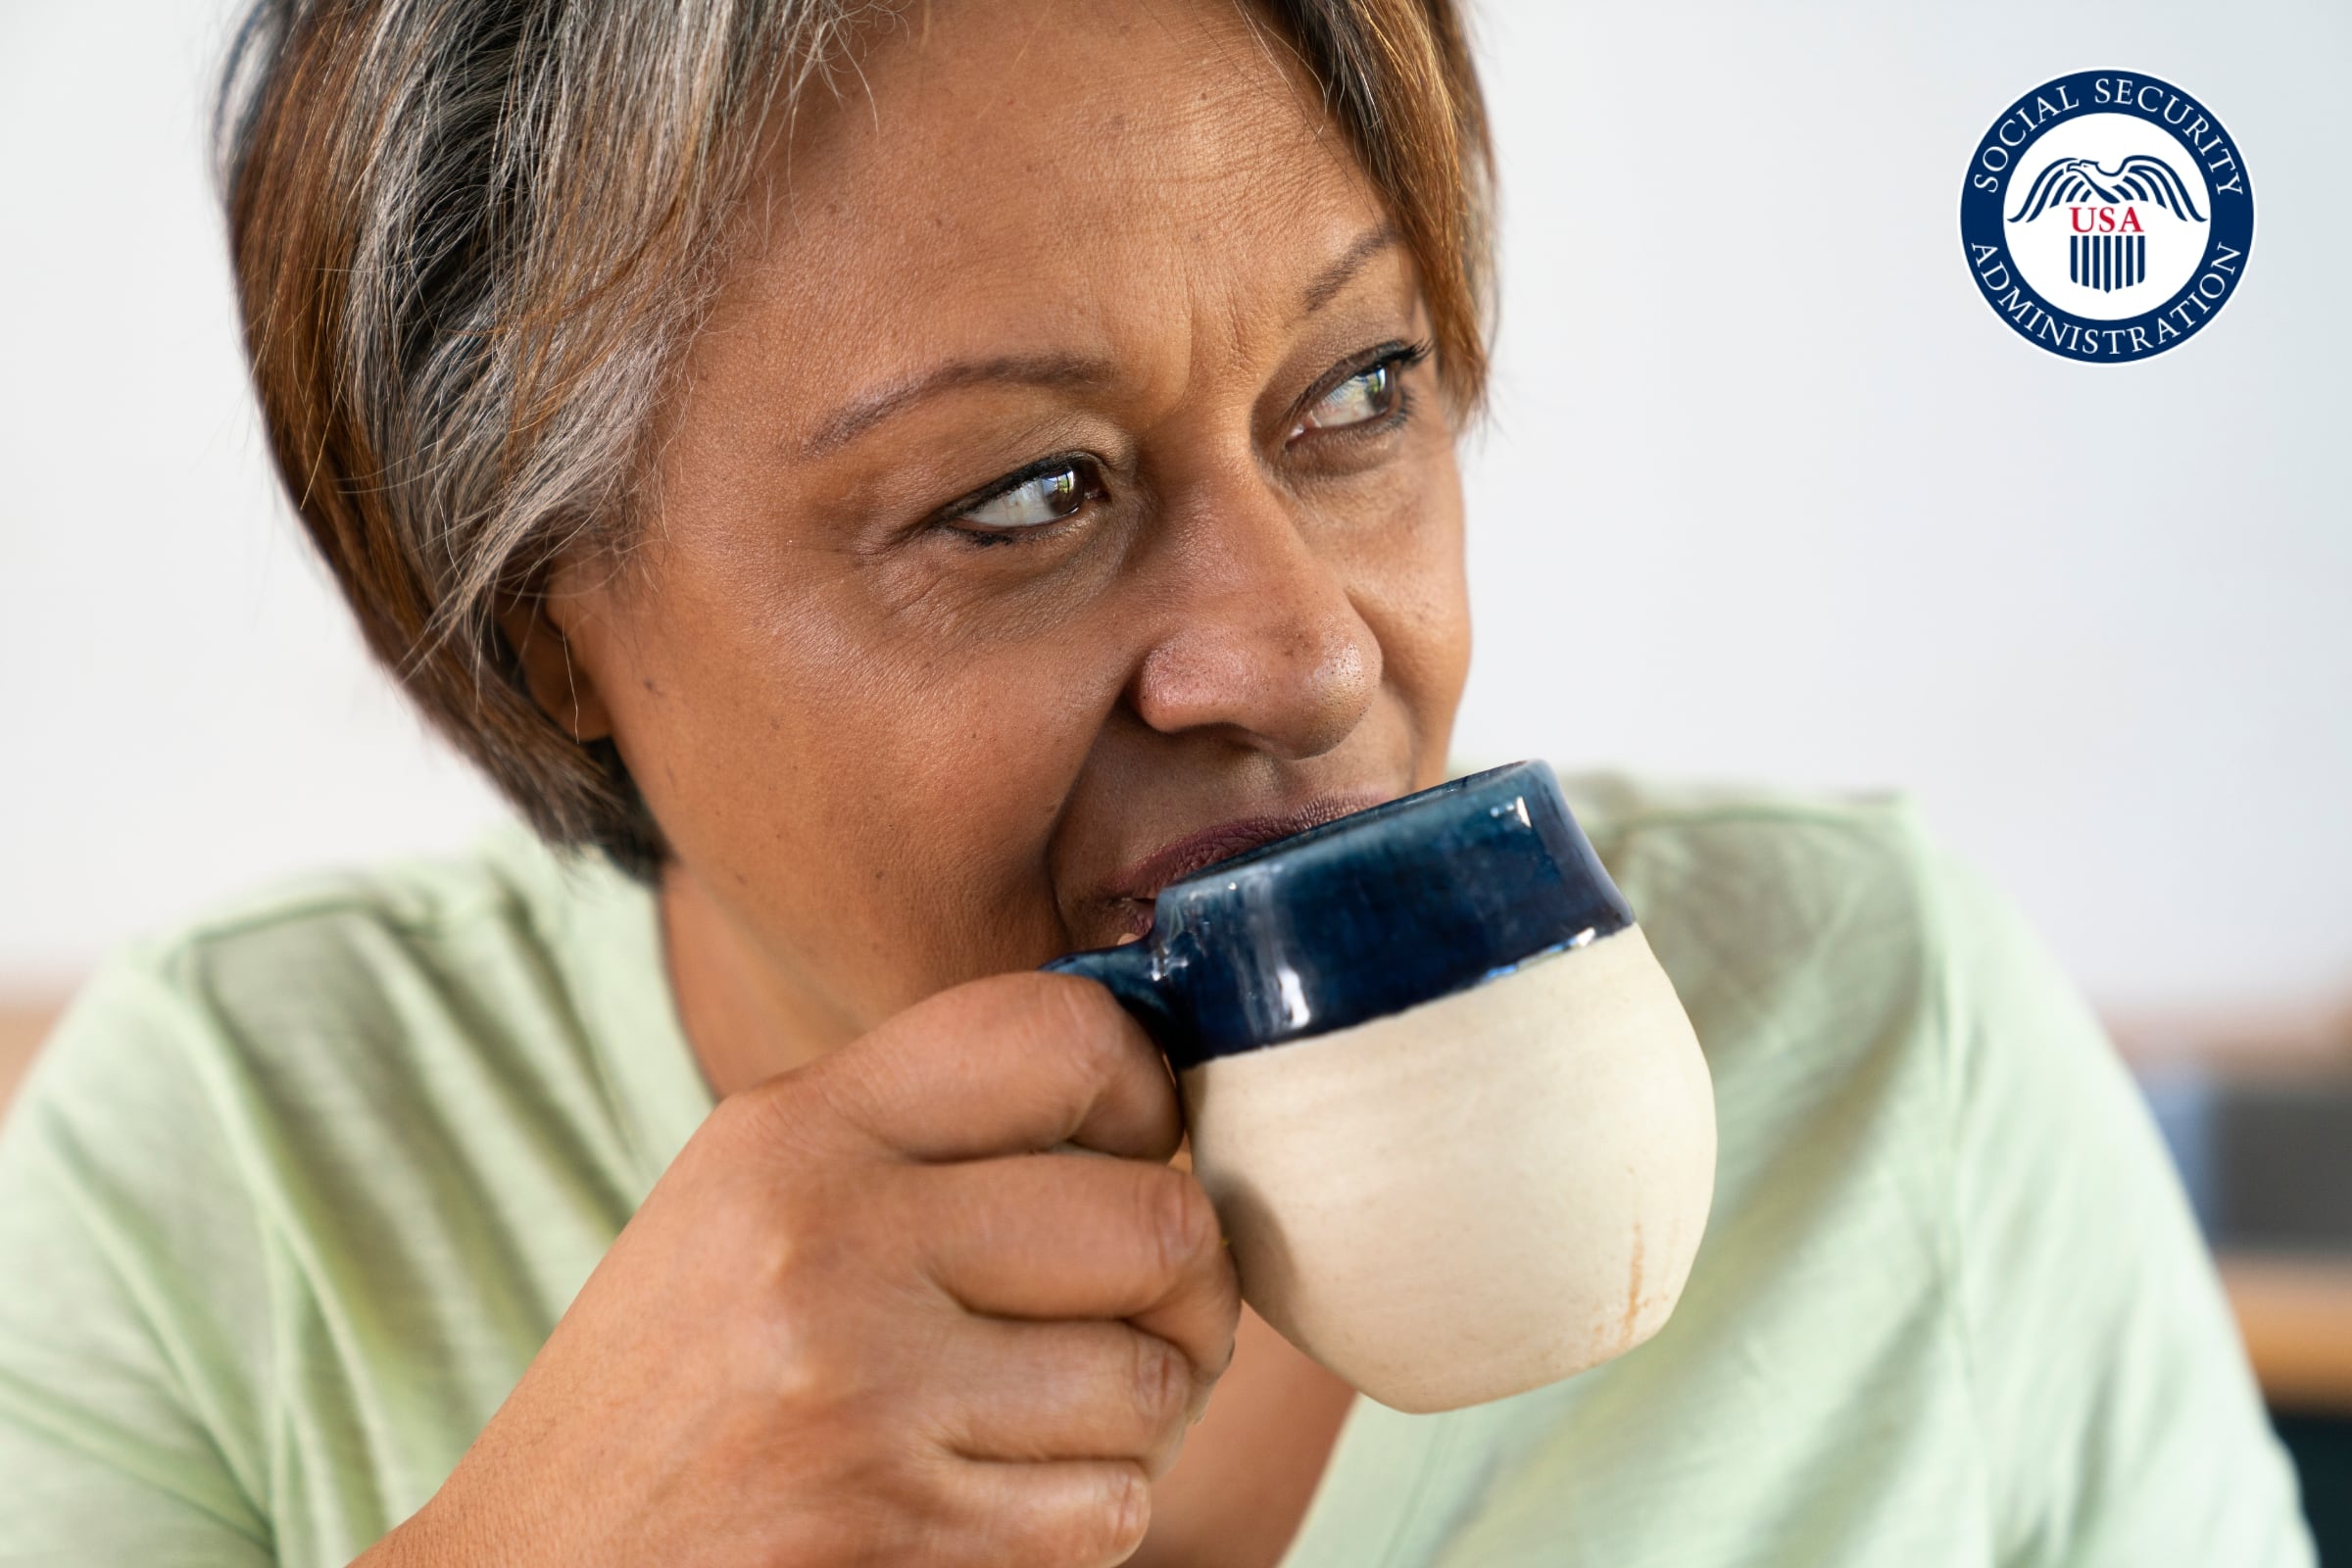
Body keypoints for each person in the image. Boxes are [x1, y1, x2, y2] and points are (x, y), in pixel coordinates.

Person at [0, 1, 2316, 1563]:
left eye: (1359, 392)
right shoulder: (240, 1158)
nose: (1310, 646)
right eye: (1021, 496)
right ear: (550, 637)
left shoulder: (1879, 1044)